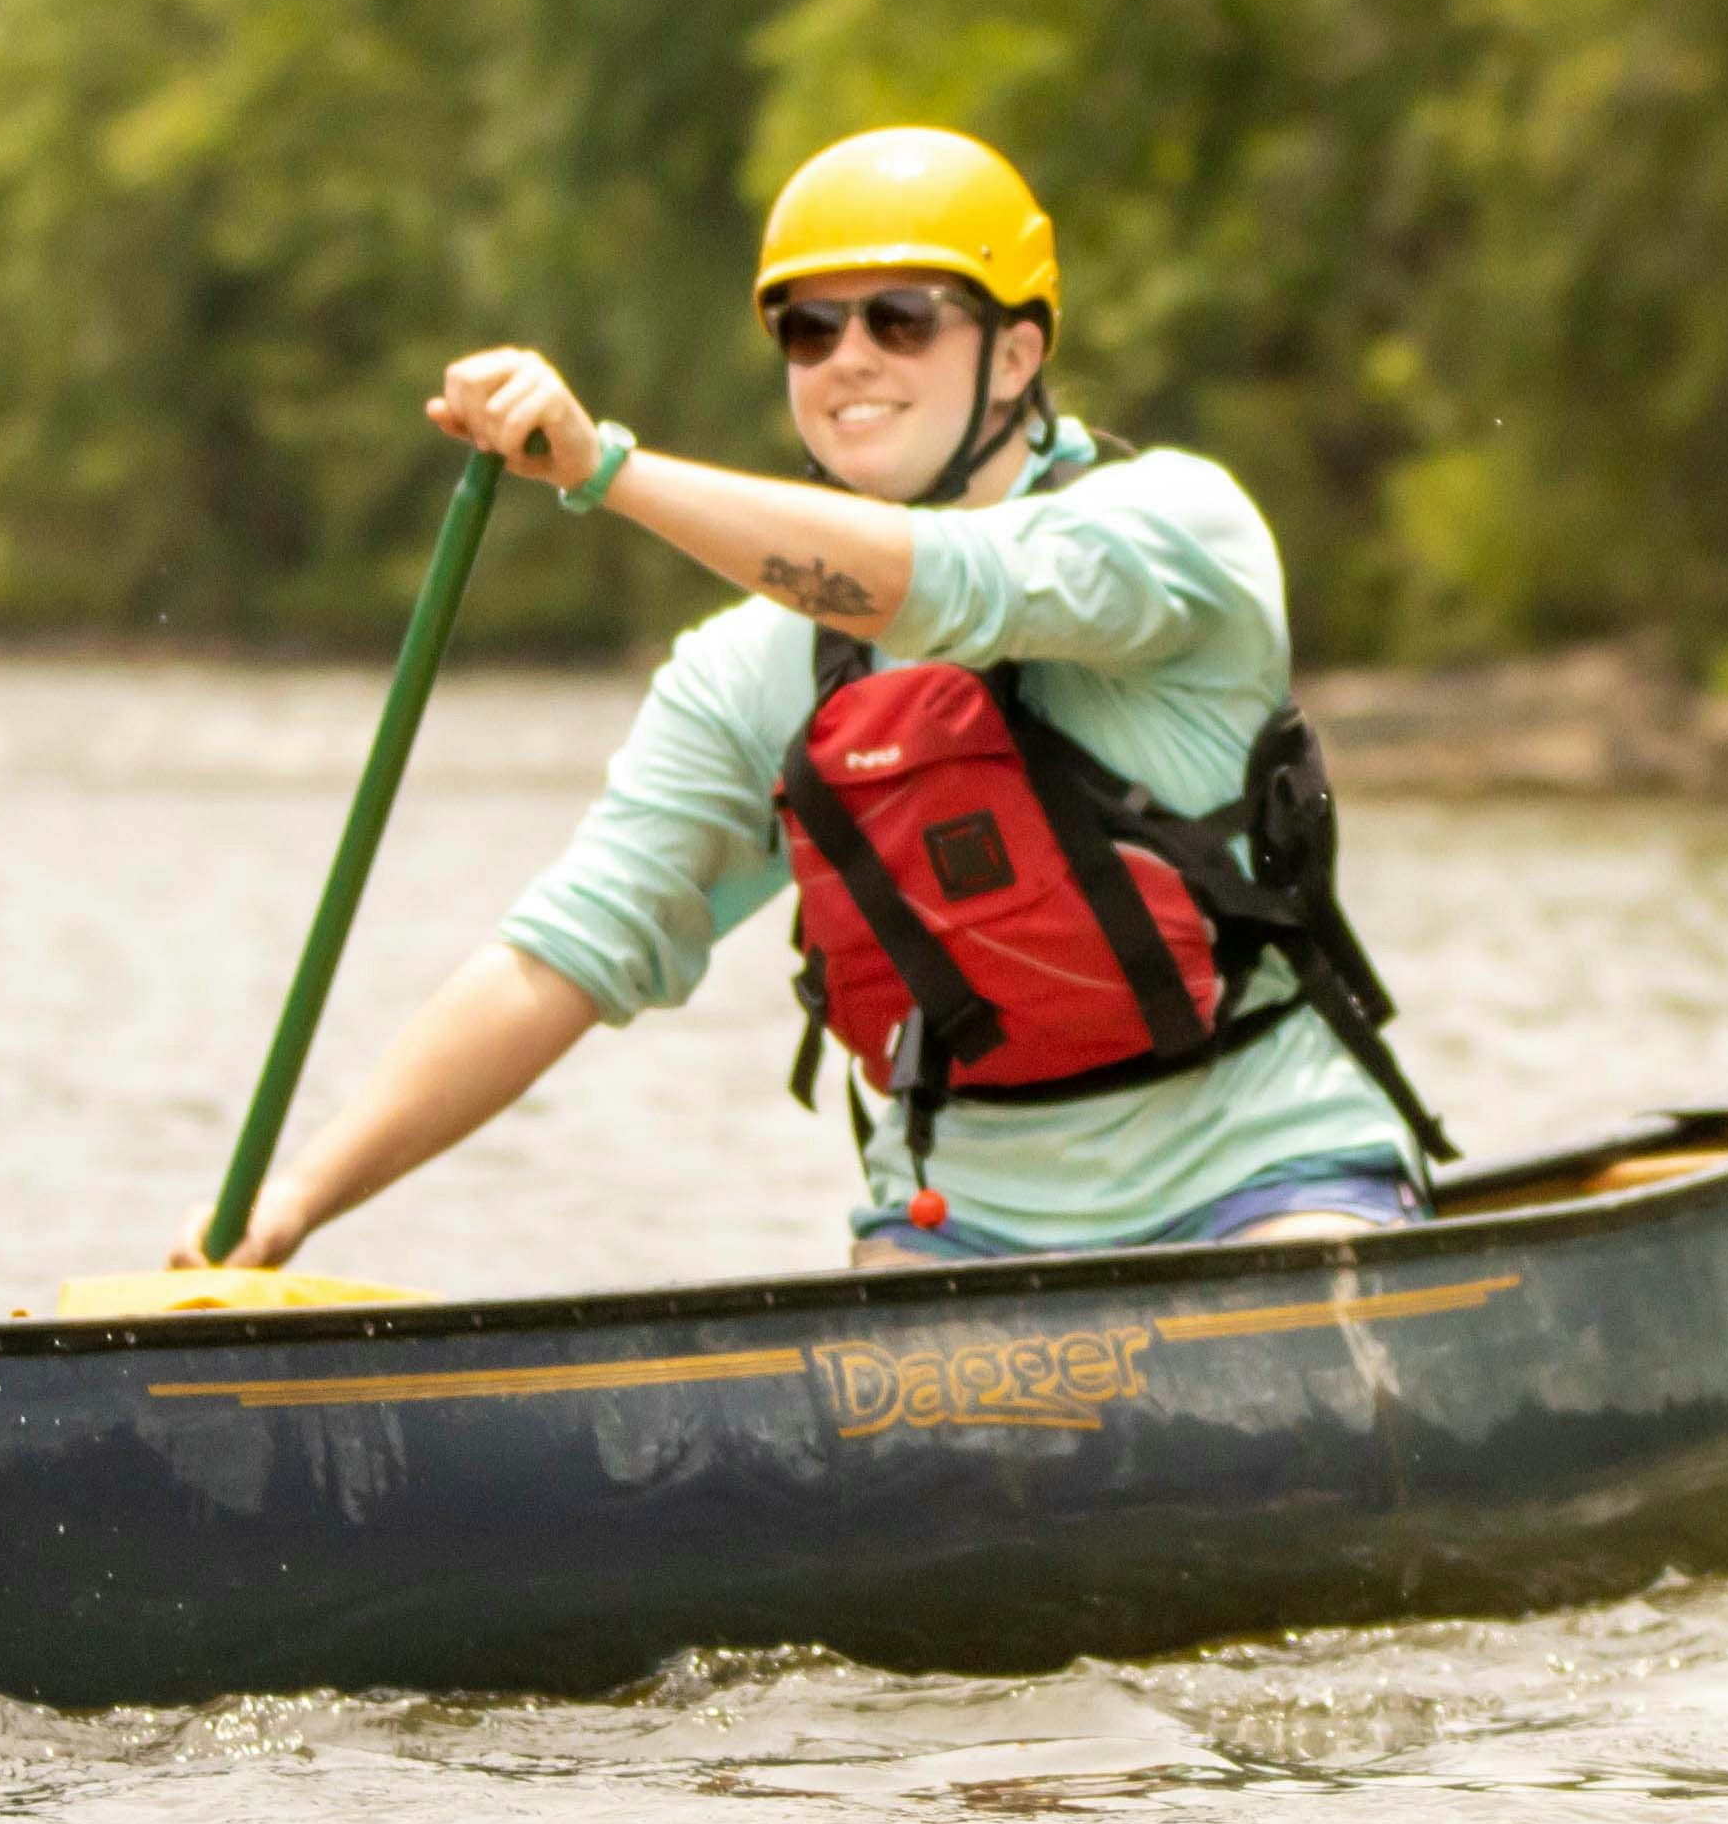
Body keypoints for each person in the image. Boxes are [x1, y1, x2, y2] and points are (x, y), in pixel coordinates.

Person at [181, 126, 1451, 1275]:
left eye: (903, 319)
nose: (850, 361)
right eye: (809, 328)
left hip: (1264, 1181)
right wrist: (297, 1202)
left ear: (1016, 353)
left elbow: (946, 590)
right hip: (964, 1223)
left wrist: (606, 470)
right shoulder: (750, 673)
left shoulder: (1172, 530)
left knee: (1303, 1294)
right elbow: (563, 954)